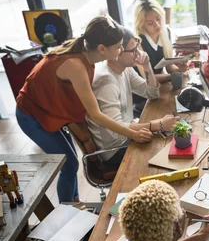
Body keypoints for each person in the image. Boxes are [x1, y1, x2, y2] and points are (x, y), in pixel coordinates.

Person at [16, 16, 150, 203]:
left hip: (50, 107)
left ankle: (75, 201)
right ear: (102, 49)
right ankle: (67, 209)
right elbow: (96, 115)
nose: (121, 50)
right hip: (31, 115)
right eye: (119, 46)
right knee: (69, 164)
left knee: (71, 159)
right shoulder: (75, 65)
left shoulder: (87, 53)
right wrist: (132, 134)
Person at [87, 27, 180, 166]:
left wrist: (147, 67)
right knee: (169, 151)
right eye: (133, 50)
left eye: (137, 48)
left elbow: (151, 93)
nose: (138, 53)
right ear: (118, 51)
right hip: (115, 150)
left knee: (174, 143)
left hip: (128, 136)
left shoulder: (126, 69)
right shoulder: (106, 82)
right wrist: (158, 125)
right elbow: (117, 130)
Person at [132, 0, 189, 115]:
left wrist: (180, 68)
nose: (157, 25)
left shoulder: (165, 32)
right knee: (174, 110)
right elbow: (146, 81)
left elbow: (169, 67)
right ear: (141, 24)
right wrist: (171, 76)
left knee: (183, 105)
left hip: (158, 88)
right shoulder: (137, 42)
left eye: (158, 19)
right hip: (143, 97)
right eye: (150, 23)